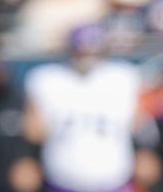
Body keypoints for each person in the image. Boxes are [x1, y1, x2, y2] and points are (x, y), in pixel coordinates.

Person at [23, 22, 153, 192]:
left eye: (92, 50)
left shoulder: (123, 77)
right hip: (60, 184)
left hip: (116, 184)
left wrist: (144, 152)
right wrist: (28, 159)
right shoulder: (47, 79)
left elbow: (140, 125)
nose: (87, 56)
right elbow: (33, 133)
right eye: (82, 51)